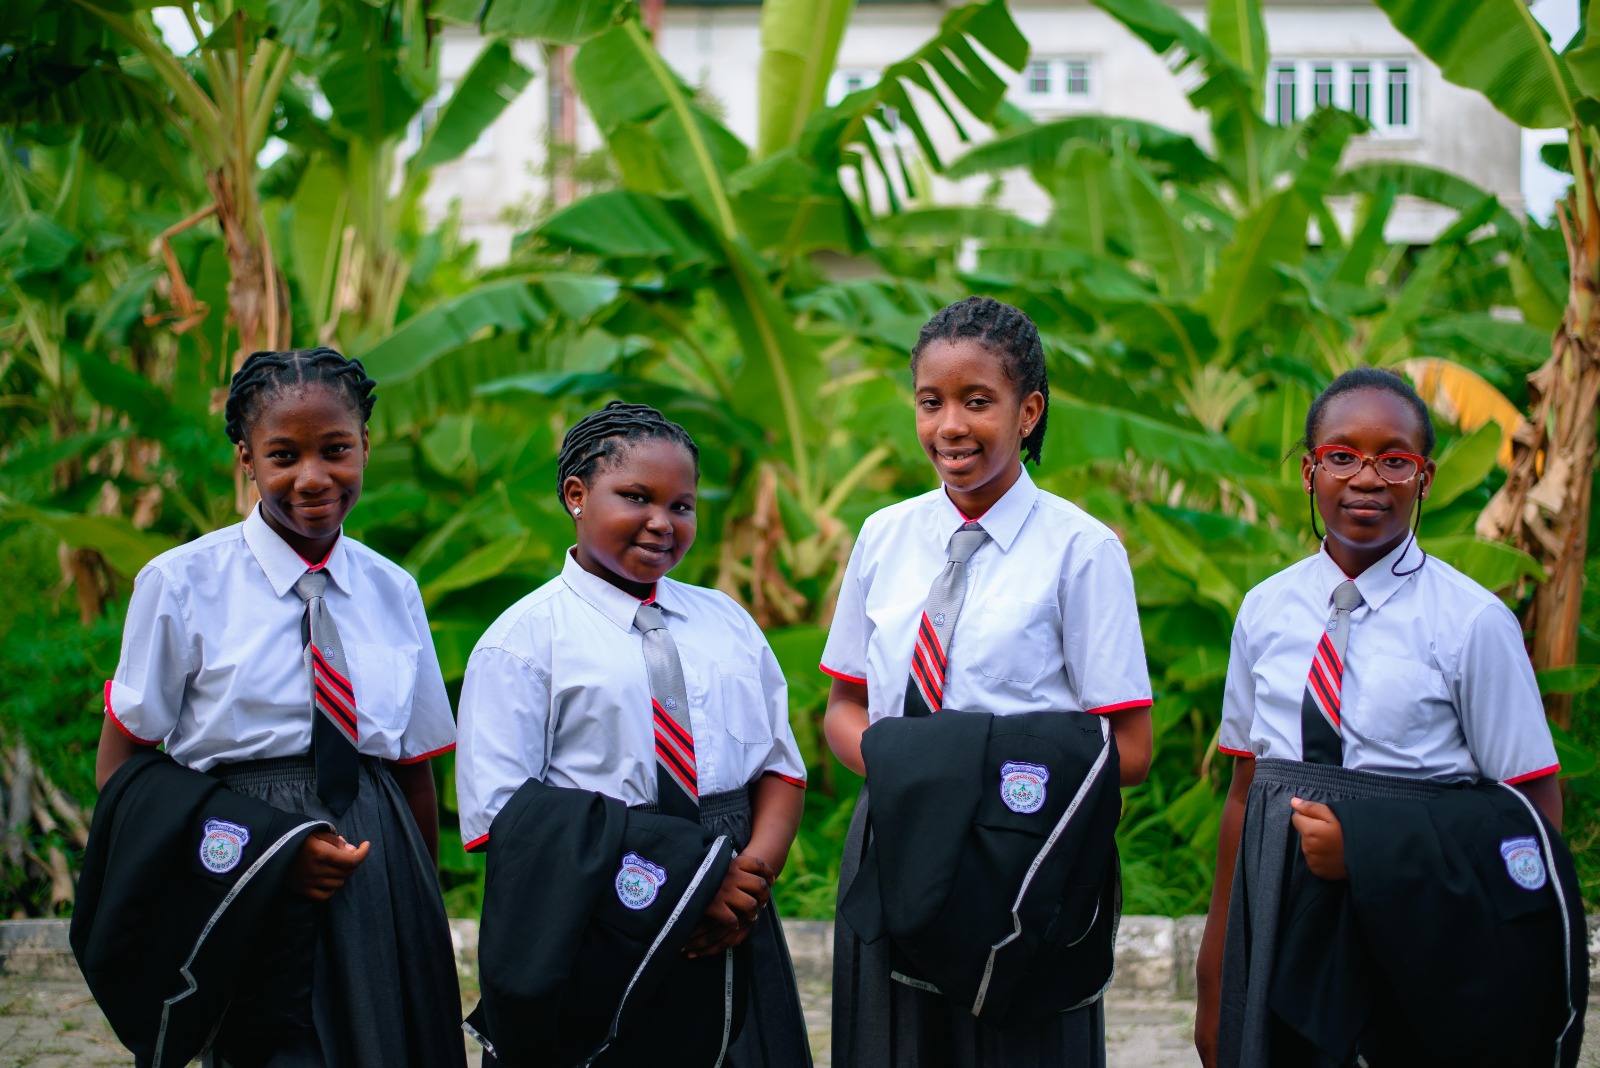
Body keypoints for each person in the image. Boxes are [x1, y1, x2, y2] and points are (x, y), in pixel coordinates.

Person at [95, 347, 467, 1068]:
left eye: (335, 450)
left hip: (375, 855)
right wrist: (253, 852)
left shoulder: (393, 590)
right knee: (268, 1044)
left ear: (365, 445)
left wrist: (415, 901)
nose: (313, 478)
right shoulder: (180, 584)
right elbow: (125, 769)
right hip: (237, 853)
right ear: (246, 459)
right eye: (283, 455)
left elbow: (413, 767)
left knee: (384, 1044)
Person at [1193, 367, 1564, 1068]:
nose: (1367, 478)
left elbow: (1533, 816)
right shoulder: (1265, 611)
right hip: (1279, 914)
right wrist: (1217, 973)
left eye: (1394, 459)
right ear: (1310, 471)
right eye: (1342, 456)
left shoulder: (1472, 624)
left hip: (1415, 923)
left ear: (1423, 478)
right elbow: (1243, 793)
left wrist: (1371, 847)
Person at [821, 295, 1154, 1067]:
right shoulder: (884, 536)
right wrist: (910, 773)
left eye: (979, 402)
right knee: (894, 1043)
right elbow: (844, 708)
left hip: (1021, 845)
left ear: (1028, 411)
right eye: (931, 402)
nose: (950, 427)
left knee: (1016, 1042)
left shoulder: (1082, 550)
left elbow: (1129, 750)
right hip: (897, 830)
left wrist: (971, 771)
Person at [454, 400, 813, 1066]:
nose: (661, 522)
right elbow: (507, 820)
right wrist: (681, 882)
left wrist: (745, 883)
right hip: (603, 907)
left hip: (736, 898)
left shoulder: (726, 622)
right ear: (577, 495)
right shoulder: (523, 642)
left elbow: (780, 768)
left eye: (682, 506)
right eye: (636, 497)